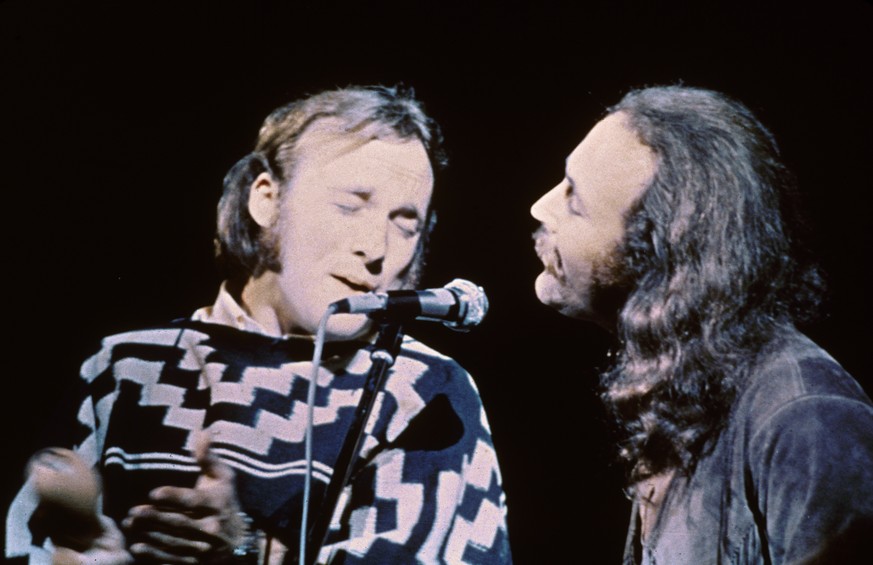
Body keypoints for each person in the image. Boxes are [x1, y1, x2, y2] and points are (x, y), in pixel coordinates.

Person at [7, 85, 512, 564]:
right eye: (350, 205)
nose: (376, 249)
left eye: (406, 224)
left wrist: (244, 550)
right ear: (266, 199)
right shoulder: (127, 368)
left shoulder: (426, 394)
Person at [530, 85, 873, 564]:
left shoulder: (806, 416)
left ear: (658, 254)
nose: (540, 207)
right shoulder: (682, 400)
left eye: (574, 200)